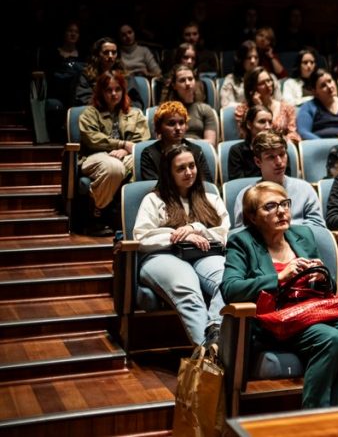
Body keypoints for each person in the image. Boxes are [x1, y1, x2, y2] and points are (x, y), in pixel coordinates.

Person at [222, 181, 338, 408]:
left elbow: (329, 285)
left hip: (313, 311)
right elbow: (230, 289)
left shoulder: (303, 235)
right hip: (276, 319)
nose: (281, 211)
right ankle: (312, 419)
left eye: (284, 204)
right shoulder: (242, 242)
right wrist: (279, 278)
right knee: (330, 339)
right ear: (252, 216)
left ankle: (333, 410)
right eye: (270, 206)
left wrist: (320, 276)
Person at [135, 144, 228, 348]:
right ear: (169, 173)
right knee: (188, 291)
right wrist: (177, 236)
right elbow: (141, 237)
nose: (188, 172)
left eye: (192, 166)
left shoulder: (211, 198)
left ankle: (215, 330)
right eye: (181, 168)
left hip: (205, 253)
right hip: (163, 256)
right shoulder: (153, 200)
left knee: (228, 280)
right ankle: (209, 353)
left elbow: (224, 234)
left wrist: (197, 229)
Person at [79, 71, 150, 230]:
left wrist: (126, 150)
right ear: (100, 92)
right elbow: (92, 139)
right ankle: (97, 211)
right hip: (95, 156)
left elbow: (141, 142)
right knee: (114, 168)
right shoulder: (89, 113)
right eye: (108, 90)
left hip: (126, 156)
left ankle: (124, 213)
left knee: (143, 163)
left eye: (117, 89)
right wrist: (122, 144)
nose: (113, 94)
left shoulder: (134, 114)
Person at [231, 131, 325, 228]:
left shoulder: (305, 189)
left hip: (301, 242)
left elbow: (318, 227)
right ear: (258, 162)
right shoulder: (246, 196)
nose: (279, 162)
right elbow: (242, 234)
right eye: (271, 157)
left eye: (282, 154)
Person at [139, 101, 211, 182]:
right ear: (159, 128)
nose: (178, 128)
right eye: (171, 123)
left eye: (181, 123)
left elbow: (206, 184)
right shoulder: (149, 154)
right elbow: (153, 186)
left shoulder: (196, 151)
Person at [227, 104, 294, 181]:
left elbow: (286, 180)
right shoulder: (237, 151)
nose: (268, 127)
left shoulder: (280, 150)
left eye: (270, 122)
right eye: (262, 122)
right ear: (249, 124)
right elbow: (237, 183)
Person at [235, 67, 300, 145]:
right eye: (262, 83)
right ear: (252, 88)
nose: (268, 85)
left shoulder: (287, 108)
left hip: (281, 148)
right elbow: (245, 136)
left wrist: (278, 143)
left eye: (269, 81)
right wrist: (258, 107)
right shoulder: (243, 110)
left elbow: (293, 135)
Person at [76, 37, 143, 109]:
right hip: (97, 114)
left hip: (122, 114)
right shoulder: (87, 75)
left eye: (114, 52)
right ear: (97, 55)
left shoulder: (126, 76)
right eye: (106, 52)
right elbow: (84, 100)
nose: (110, 56)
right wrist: (108, 107)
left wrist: (118, 109)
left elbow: (137, 102)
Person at [161, 64, 218, 147]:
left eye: (190, 79)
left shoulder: (205, 109)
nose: (187, 83)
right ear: (174, 85)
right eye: (182, 80)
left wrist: (189, 143)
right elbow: (162, 141)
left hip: (200, 153)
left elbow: (211, 142)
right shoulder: (166, 111)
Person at [297, 69, 338, 140]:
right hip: (319, 148)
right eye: (323, 85)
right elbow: (303, 132)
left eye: (330, 81)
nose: (330, 87)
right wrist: (324, 144)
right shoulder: (308, 107)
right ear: (315, 92)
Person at [220, 41, 261, 108]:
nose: (253, 61)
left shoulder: (269, 78)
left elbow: (279, 102)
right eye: (249, 58)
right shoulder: (231, 79)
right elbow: (225, 105)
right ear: (241, 60)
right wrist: (248, 105)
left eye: (256, 57)